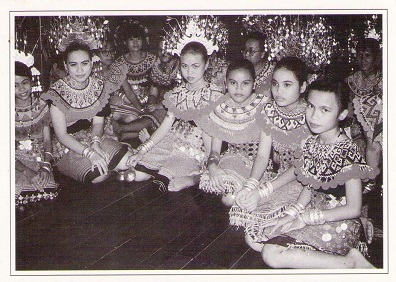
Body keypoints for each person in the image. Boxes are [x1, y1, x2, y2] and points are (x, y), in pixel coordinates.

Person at [259, 78, 378, 269]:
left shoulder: (348, 152)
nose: (314, 116)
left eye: (325, 110)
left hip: (340, 221)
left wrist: (305, 219)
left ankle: (351, 263)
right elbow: (310, 185)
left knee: (271, 253)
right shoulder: (313, 143)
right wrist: (291, 214)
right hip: (314, 211)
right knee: (260, 237)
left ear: (342, 114)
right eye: (311, 106)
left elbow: (353, 209)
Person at [229, 57, 311, 250]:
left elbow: (301, 167)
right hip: (280, 178)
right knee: (241, 208)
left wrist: (263, 191)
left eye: (287, 85)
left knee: (259, 238)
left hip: (306, 184)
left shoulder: (310, 116)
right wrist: (250, 185)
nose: (279, 91)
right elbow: (262, 156)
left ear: (303, 86)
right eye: (275, 84)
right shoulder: (269, 111)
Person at [41, 41, 148, 184]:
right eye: (74, 65)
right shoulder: (56, 93)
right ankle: (116, 168)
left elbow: (98, 122)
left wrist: (96, 143)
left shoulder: (98, 86)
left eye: (84, 63)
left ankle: (119, 167)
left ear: (92, 63)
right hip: (68, 146)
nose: (80, 70)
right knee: (99, 176)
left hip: (93, 137)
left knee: (139, 169)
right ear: (66, 66)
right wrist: (90, 154)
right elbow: (62, 135)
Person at [127, 41, 223, 192]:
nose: (189, 72)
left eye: (195, 66)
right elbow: (165, 127)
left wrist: (208, 163)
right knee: (134, 173)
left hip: (197, 149)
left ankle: (194, 178)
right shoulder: (178, 92)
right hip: (172, 140)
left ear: (206, 65)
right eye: (185, 66)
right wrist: (141, 151)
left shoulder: (214, 95)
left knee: (163, 183)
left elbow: (212, 137)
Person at [198, 59, 271, 206]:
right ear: (226, 83)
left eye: (245, 83)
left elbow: (263, 156)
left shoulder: (264, 106)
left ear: (254, 83)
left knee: (231, 199)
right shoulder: (221, 106)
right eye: (233, 83)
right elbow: (215, 150)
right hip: (230, 161)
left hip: (255, 168)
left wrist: (251, 184)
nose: (239, 89)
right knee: (215, 187)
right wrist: (213, 167)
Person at [112, 38, 178, 143]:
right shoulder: (158, 66)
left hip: (174, 107)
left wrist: (159, 106)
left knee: (149, 120)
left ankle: (120, 129)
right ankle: (123, 136)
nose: (163, 53)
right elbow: (153, 91)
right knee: (148, 115)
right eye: (161, 50)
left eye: (166, 49)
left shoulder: (179, 67)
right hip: (160, 105)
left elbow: (179, 96)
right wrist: (150, 104)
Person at [15, 61, 59, 206]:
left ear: (31, 81)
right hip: (14, 160)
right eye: (15, 85)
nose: (21, 89)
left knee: (48, 188)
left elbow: (47, 140)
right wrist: (26, 171)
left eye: (24, 82)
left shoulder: (41, 105)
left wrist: (46, 166)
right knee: (17, 190)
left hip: (38, 157)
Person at [346, 38, 382, 188]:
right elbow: (347, 111)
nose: (363, 60)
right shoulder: (350, 80)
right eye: (359, 55)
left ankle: (372, 181)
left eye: (367, 55)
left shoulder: (384, 79)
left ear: (375, 58)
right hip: (355, 129)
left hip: (379, 130)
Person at [107, 20, 157, 127]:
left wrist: (148, 106)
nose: (135, 43)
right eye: (131, 39)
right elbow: (128, 92)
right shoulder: (119, 62)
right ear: (125, 42)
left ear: (143, 41)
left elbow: (154, 88)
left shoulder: (152, 59)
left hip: (146, 100)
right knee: (114, 115)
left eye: (138, 39)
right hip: (126, 98)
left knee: (134, 119)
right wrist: (141, 109)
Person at [242, 31, 274, 97]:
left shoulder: (273, 73)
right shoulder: (238, 70)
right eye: (245, 49)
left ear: (262, 54)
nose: (246, 54)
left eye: (251, 51)